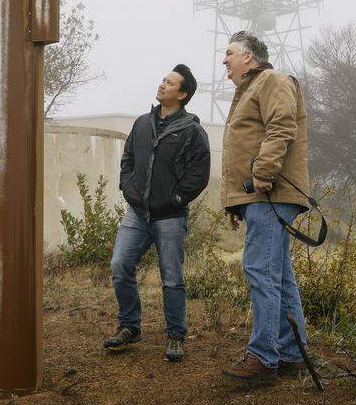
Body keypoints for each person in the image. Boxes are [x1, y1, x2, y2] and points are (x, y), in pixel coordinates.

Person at [218, 31, 311, 382]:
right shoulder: (248, 91)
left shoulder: (271, 80)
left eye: (229, 53)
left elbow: (281, 127)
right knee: (279, 275)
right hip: (260, 196)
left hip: (270, 193)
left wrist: (262, 174)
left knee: (261, 271)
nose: (224, 60)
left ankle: (263, 357)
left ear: (248, 57)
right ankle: (290, 352)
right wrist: (235, 203)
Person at [103, 64, 211, 362]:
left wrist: (176, 198)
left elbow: (199, 173)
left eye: (170, 83)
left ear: (183, 94)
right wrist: (128, 187)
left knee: (172, 278)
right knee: (119, 266)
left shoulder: (192, 131)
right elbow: (128, 158)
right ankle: (129, 326)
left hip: (170, 217)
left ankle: (176, 335)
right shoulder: (141, 123)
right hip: (137, 214)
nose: (163, 85)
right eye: (163, 80)